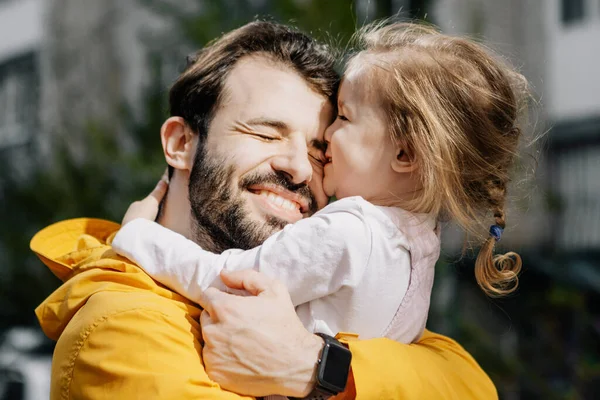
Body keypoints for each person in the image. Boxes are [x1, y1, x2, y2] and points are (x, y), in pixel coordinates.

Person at [32, 20, 498, 399]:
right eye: (267, 134)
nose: (299, 169)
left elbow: (471, 385)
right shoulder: (121, 329)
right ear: (180, 143)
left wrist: (315, 367)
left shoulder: (332, 281)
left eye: (319, 151)